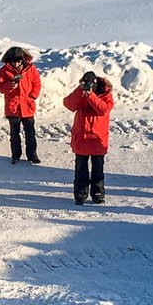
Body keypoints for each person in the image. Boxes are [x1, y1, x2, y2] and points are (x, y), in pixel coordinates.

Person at [64, 70, 114, 205]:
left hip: (97, 139)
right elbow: (69, 104)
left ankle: (98, 194)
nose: (88, 87)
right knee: (81, 170)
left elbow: (103, 109)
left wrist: (90, 96)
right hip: (81, 138)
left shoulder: (106, 95)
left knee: (98, 170)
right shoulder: (80, 94)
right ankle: (80, 194)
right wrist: (79, 90)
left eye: (91, 84)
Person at [0, 46, 42, 164]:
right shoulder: (4, 70)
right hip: (13, 107)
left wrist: (32, 96)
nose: (16, 64)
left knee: (30, 132)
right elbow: (0, 87)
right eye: (14, 61)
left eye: (19, 61)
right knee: (14, 133)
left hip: (27, 106)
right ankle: (15, 155)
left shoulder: (31, 69)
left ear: (23, 59)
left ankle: (32, 155)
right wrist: (10, 85)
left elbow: (37, 83)